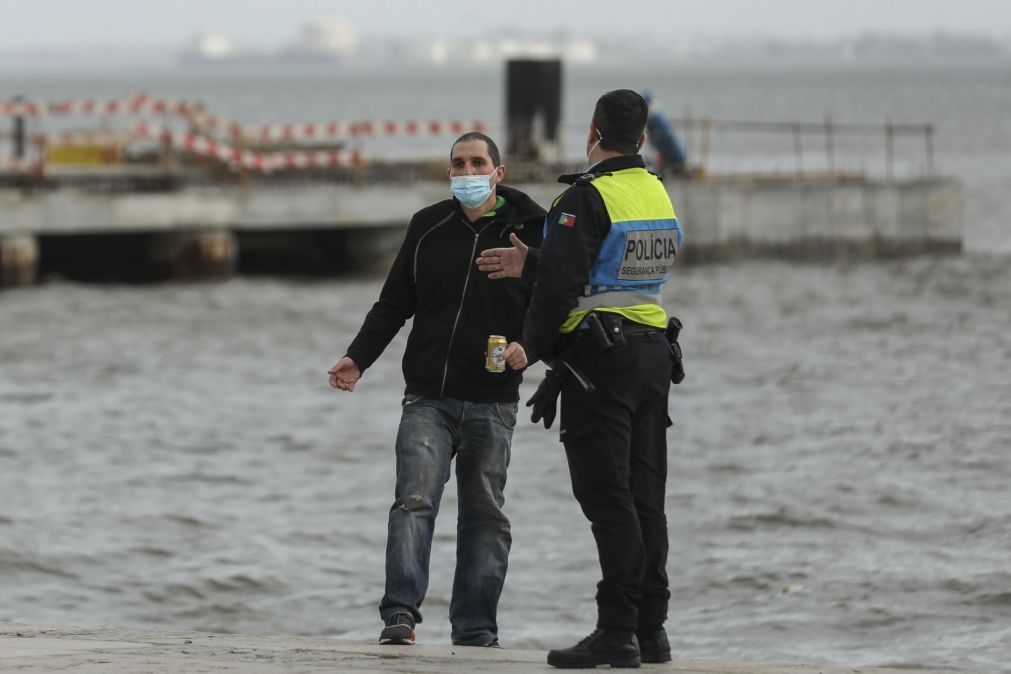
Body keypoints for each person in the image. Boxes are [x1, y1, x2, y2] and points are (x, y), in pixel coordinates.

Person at [476, 89, 683, 669]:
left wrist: (528, 347)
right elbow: (609, 271)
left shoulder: (584, 197)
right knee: (646, 497)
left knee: (605, 495)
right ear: (642, 138)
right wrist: (538, 262)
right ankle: (651, 630)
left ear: (593, 131)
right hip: (651, 353)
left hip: (602, 363)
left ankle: (616, 629)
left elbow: (562, 289)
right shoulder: (655, 191)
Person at [327, 132, 545, 647]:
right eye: (457, 164)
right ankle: (399, 616)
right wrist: (357, 357)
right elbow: (393, 303)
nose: (466, 172)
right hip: (427, 396)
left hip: (493, 400)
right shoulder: (428, 226)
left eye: (477, 163)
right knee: (413, 502)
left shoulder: (532, 233)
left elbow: (554, 306)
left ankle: (475, 628)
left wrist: (529, 349)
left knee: (485, 515)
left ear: (499, 172)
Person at [642, 89, 690, 178]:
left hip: (674, 158)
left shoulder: (656, 120)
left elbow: (663, 140)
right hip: (675, 155)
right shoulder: (658, 116)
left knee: (660, 173)